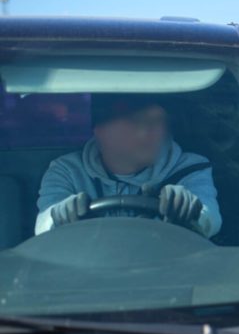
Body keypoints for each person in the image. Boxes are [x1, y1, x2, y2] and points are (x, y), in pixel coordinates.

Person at [36, 94, 222, 238]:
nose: (149, 132)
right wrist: (60, 215)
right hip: (88, 271)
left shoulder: (190, 168)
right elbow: (43, 225)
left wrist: (191, 210)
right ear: (100, 130)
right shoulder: (67, 170)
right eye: (135, 121)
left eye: (158, 121)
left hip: (167, 270)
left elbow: (211, 219)